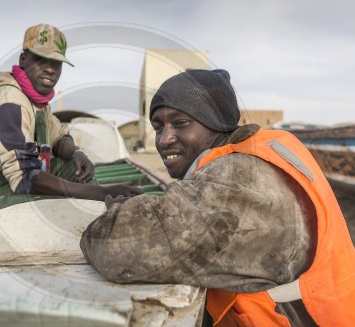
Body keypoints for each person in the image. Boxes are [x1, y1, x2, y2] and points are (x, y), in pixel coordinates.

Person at [80, 69, 355, 326]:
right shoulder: (260, 150)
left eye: (180, 123)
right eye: (158, 127)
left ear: (217, 124)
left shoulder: (239, 180)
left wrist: (117, 211)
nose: (164, 139)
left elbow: (117, 245)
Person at [0, 23, 142, 228]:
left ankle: (96, 222)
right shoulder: (7, 100)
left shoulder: (37, 102)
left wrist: (76, 153)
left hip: (3, 185)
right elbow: (25, 177)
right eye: (41, 60)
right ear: (23, 60)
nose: (50, 69)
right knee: (67, 209)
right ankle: (95, 225)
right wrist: (101, 193)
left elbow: (57, 136)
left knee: (70, 168)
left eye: (56, 63)